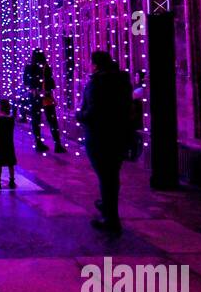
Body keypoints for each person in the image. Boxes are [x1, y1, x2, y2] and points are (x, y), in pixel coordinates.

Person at [76, 51, 135, 234]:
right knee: (112, 175)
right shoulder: (122, 81)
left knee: (105, 176)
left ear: (95, 64)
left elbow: (92, 111)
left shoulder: (97, 83)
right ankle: (108, 208)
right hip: (119, 135)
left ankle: (110, 217)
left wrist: (80, 115)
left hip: (99, 136)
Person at [23, 49, 65, 153]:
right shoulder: (45, 66)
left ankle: (38, 143)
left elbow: (25, 81)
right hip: (46, 96)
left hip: (34, 96)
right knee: (52, 121)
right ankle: (57, 144)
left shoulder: (28, 67)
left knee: (36, 121)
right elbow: (50, 82)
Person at [0, 98, 18, 189]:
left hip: (0, 142)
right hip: (9, 142)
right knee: (10, 162)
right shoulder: (11, 118)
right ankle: (11, 181)